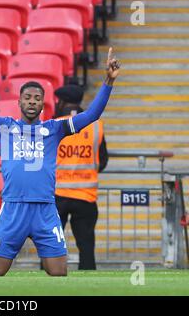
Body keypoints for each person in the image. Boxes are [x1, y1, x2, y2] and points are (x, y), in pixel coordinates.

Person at [0, 42, 120, 276]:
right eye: (28, 97)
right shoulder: (3, 127)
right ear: (20, 102)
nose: (32, 101)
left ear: (43, 105)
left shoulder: (55, 129)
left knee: (58, 273)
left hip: (45, 209)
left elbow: (92, 114)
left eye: (37, 98)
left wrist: (109, 81)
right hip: (14, 207)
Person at [54, 84, 109, 270]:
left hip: (57, 194)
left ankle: (45, 281)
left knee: (50, 245)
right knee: (86, 247)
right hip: (85, 196)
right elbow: (102, 161)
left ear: (61, 102)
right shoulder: (95, 126)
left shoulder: (54, 124)